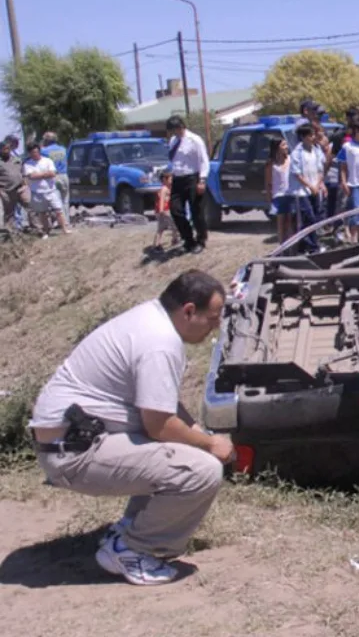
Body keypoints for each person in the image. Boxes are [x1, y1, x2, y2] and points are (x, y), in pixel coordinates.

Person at [28, 270, 232, 586]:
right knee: (200, 470)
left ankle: (129, 530)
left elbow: (161, 406)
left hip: (74, 441)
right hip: (73, 454)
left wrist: (199, 434)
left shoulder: (151, 319)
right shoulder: (160, 343)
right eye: (213, 318)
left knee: (185, 451)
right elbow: (159, 425)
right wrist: (210, 445)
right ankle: (133, 549)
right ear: (189, 310)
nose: (216, 326)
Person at [164, 116, 210, 254]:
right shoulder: (173, 141)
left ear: (181, 126)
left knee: (197, 211)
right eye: (172, 131)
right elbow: (174, 161)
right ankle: (188, 240)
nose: (174, 133)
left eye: (175, 129)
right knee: (175, 209)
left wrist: (202, 180)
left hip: (192, 177)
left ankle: (201, 240)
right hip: (178, 178)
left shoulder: (194, 140)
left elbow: (204, 161)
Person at [22, 140, 71, 237]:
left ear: (39, 151)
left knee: (58, 210)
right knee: (42, 213)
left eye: (36, 152)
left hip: (51, 190)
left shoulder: (47, 161)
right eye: (32, 152)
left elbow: (52, 173)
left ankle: (65, 229)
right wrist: (45, 174)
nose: (35, 154)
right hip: (38, 192)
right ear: (30, 153)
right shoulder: (27, 164)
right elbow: (31, 176)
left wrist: (40, 175)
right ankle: (46, 231)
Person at [290, 123, 326, 253]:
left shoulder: (317, 150)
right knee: (308, 218)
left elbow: (321, 170)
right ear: (304, 137)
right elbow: (297, 174)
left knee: (316, 218)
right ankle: (311, 247)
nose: (313, 137)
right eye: (311, 135)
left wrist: (318, 184)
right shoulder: (297, 153)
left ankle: (312, 243)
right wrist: (310, 186)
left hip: (316, 190)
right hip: (303, 191)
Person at [324, 106, 359, 227]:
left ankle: (357, 230)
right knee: (343, 203)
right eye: (355, 116)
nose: (357, 119)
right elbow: (332, 155)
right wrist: (324, 173)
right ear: (348, 118)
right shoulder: (340, 135)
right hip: (345, 176)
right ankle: (339, 230)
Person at [264, 136, 296, 245]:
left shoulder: (291, 160)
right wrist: (269, 197)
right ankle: (282, 246)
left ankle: (291, 245)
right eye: (283, 145)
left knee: (290, 222)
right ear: (277, 147)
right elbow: (268, 183)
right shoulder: (271, 164)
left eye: (286, 144)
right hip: (278, 195)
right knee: (281, 223)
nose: (286, 147)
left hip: (291, 194)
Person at [0, 137, 29, 230]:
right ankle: (10, 231)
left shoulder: (17, 159)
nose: (7, 151)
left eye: (8, 149)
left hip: (20, 188)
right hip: (6, 191)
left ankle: (36, 227)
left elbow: (23, 172)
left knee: (30, 204)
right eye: (4, 149)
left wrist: (25, 184)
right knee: (9, 212)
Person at [41, 131, 69, 210]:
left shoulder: (44, 151)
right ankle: (65, 221)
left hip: (52, 177)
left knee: (53, 201)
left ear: (46, 140)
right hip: (64, 176)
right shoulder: (63, 149)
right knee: (65, 201)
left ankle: (56, 220)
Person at [152, 171, 180, 251]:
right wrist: (161, 210)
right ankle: (158, 245)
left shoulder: (169, 188)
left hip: (166, 210)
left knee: (162, 228)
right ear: (164, 179)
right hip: (163, 211)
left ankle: (173, 240)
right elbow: (161, 200)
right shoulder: (164, 189)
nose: (172, 180)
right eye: (170, 179)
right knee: (172, 225)